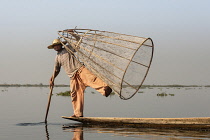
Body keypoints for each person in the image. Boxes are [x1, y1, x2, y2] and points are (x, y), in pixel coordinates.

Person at [48, 29, 112, 117]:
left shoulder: (68, 48)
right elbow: (56, 69)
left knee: (92, 80)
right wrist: (52, 79)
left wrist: (72, 34)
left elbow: (79, 40)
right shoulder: (57, 58)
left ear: (61, 45)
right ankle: (78, 114)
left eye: (57, 45)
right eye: (54, 46)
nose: (55, 47)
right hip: (72, 77)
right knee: (75, 94)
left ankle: (106, 89)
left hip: (80, 70)